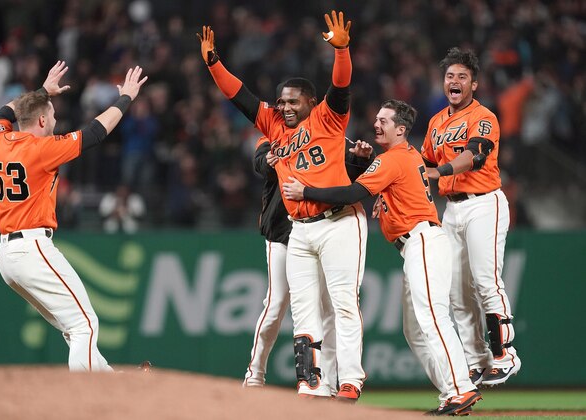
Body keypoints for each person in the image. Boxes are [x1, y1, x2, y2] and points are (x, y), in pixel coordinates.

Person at [198, 11, 368, 401]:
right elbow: (238, 95)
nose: (285, 106)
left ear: (311, 101)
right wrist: (213, 63)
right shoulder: (274, 126)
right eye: (281, 101)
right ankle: (311, 382)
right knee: (304, 311)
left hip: (337, 221)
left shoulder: (329, 117)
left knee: (342, 304)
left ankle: (350, 380)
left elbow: (341, 84)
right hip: (299, 229)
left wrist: (341, 49)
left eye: (293, 100)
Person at [283, 99, 482, 416]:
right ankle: (450, 392)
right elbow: (394, 185)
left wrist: (305, 192)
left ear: (401, 129)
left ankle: (461, 388)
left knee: (432, 317)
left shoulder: (392, 160)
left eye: (384, 121)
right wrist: (386, 197)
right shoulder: (404, 156)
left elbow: (350, 194)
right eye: (376, 119)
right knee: (415, 332)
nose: (377, 124)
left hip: (424, 241)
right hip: (416, 244)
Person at [0, 61, 147, 371]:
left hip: (6, 256)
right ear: (42, 119)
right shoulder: (41, 149)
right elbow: (95, 132)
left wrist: (41, 91)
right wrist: (126, 97)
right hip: (31, 247)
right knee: (84, 324)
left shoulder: (0, 140)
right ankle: (88, 404)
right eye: (52, 114)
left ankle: (117, 387)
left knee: (74, 327)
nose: (55, 120)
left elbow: (1, 114)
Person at [244, 134, 374, 394]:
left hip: (323, 230)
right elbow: (261, 161)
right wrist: (267, 162)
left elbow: (344, 177)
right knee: (275, 305)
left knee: (329, 310)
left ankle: (327, 382)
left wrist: (359, 160)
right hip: (283, 234)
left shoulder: (325, 133)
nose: (289, 108)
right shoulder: (275, 132)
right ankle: (255, 374)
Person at [422, 47, 521, 387]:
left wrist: (439, 172)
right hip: (452, 208)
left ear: (474, 85)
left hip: (484, 203)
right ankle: (477, 360)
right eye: (450, 76)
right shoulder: (436, 123)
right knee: (457, 293)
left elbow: (475, 156)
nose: (455, 81)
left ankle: (505, 355)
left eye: (462, 76)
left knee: (485, 281)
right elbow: (422, 165)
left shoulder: (484, 117)